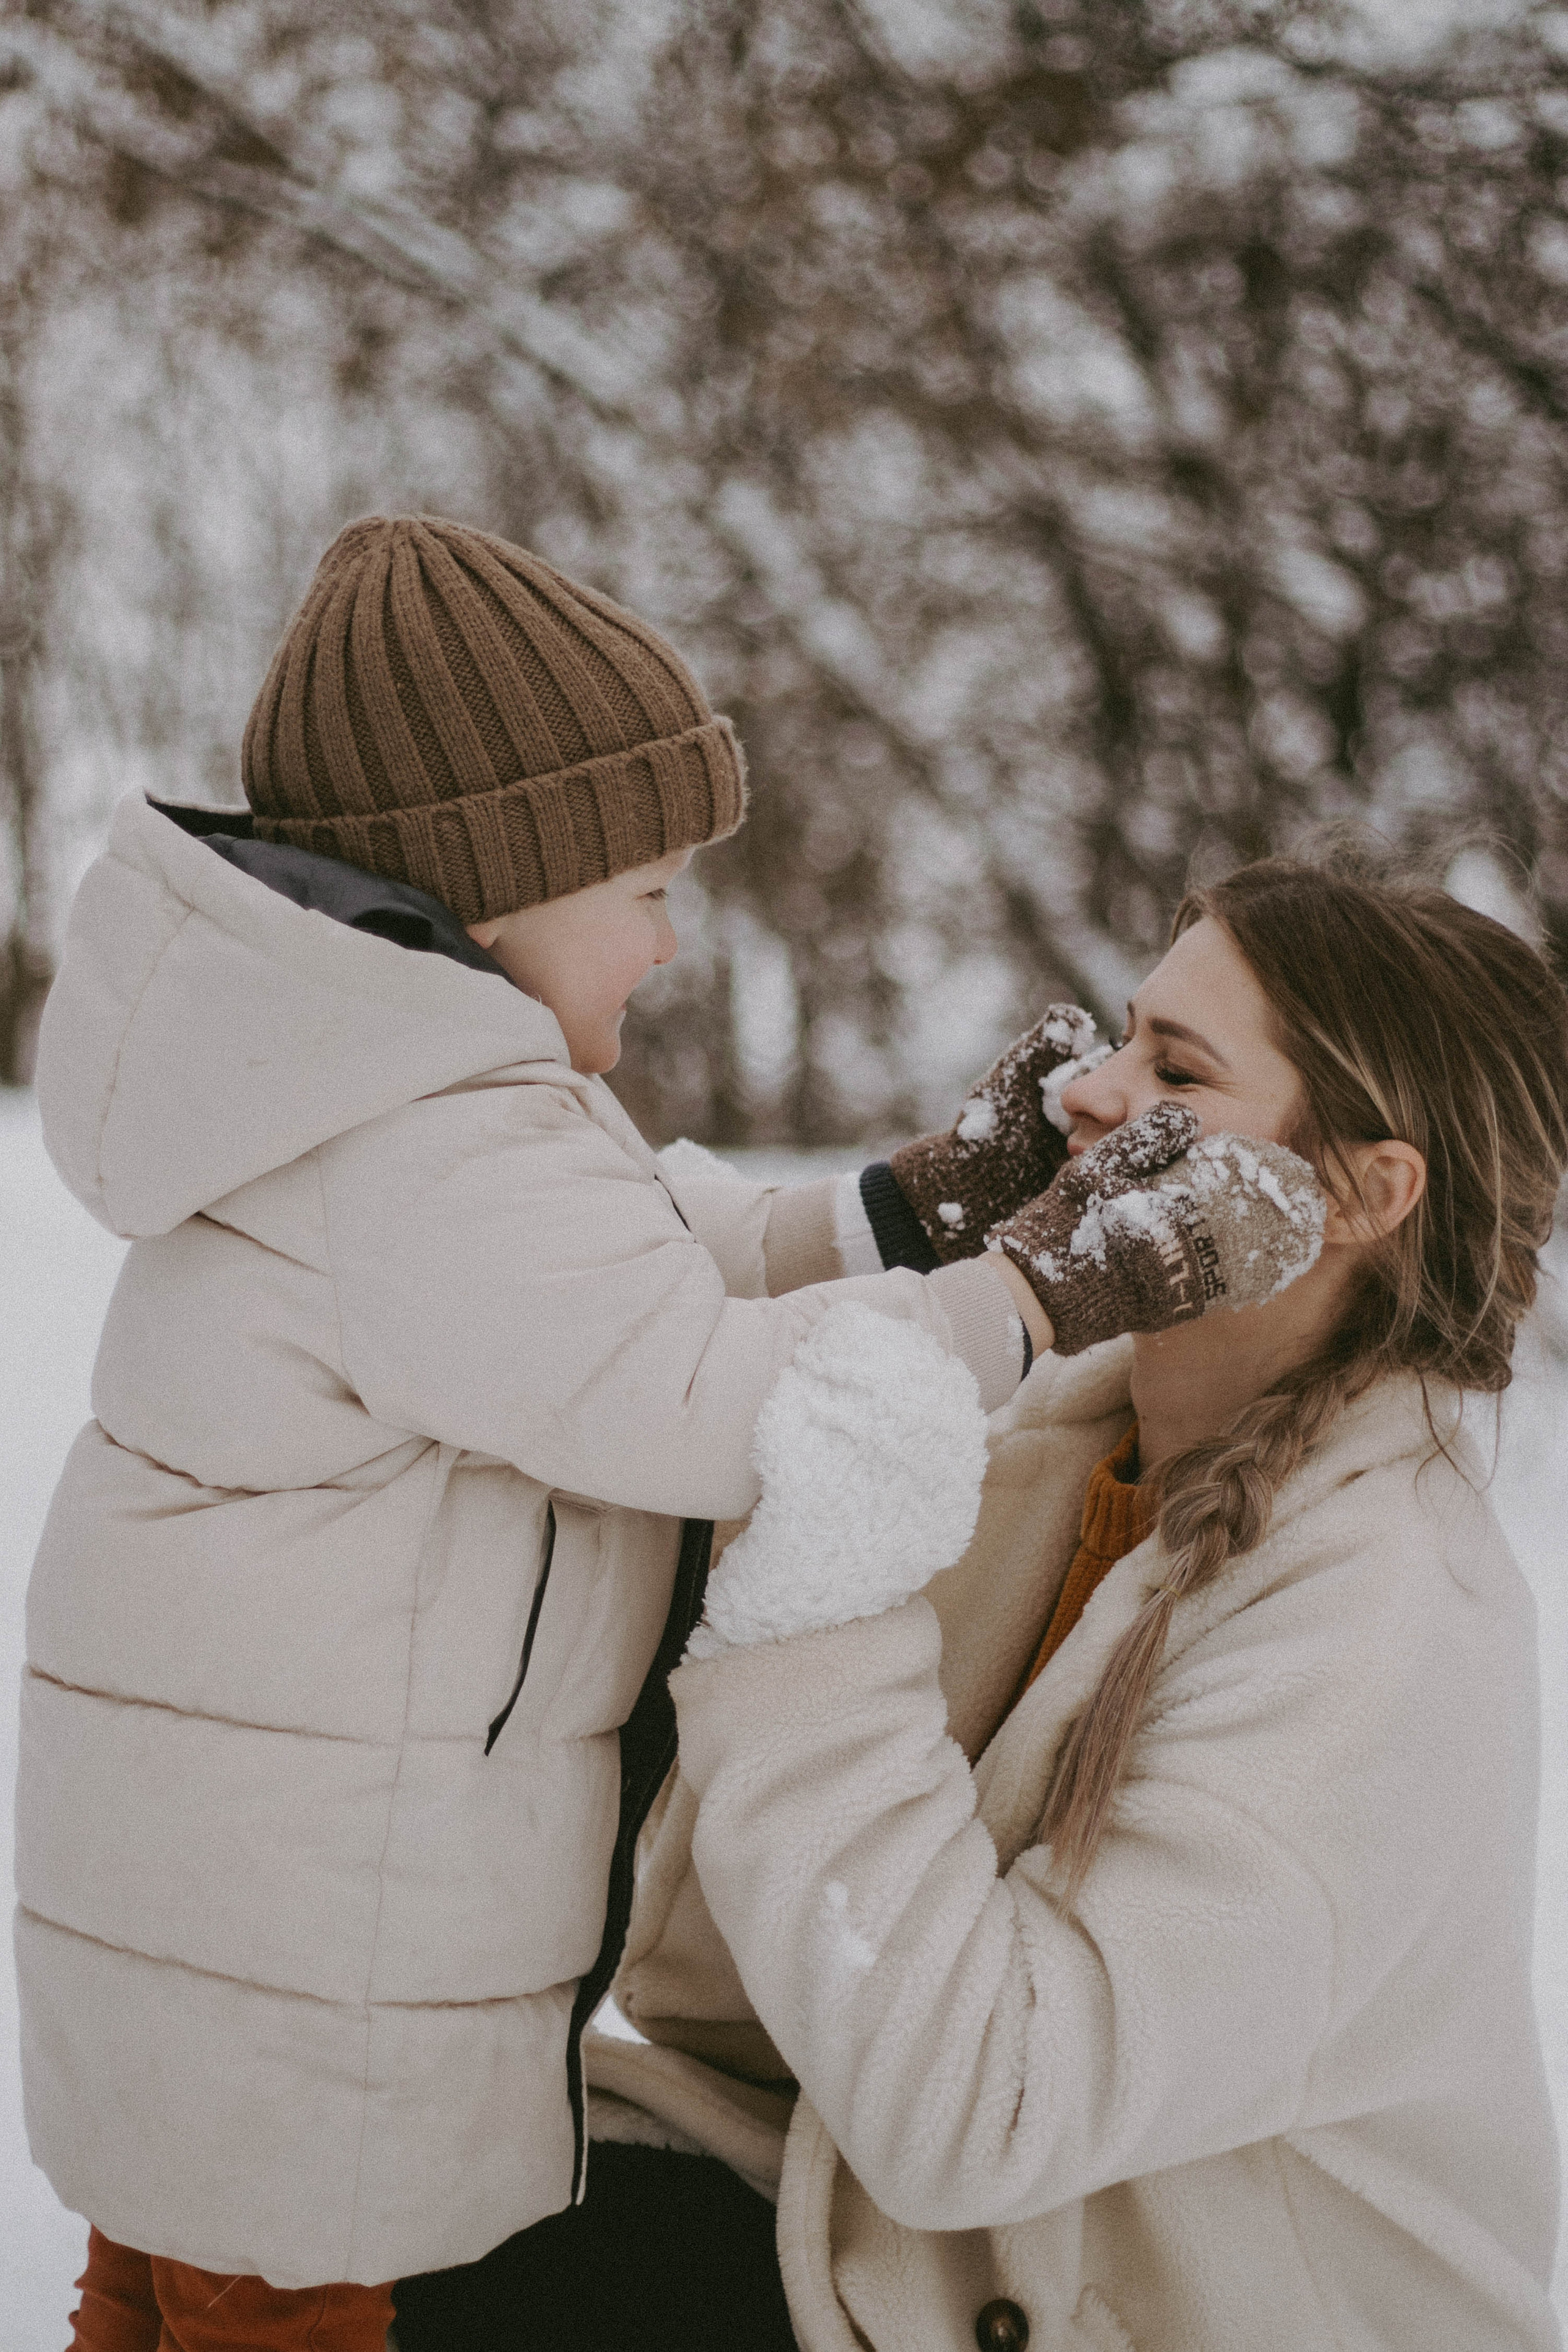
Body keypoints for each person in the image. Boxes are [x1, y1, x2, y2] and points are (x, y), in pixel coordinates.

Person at [17, 516, 1317, 2352]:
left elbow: (641, 1285)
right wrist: (1041, 1292)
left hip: (235, 1970)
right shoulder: (430, 1145)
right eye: (640, 884)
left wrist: (909, 1210)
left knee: (163, 2292)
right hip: (322, 1998)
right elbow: (717, 1403)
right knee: (276, 2315)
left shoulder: (379, 1092)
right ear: (496, 885)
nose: (670, 934)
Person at [394, 851, 1568, 2352]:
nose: (1088, 1092)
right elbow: (721, 1988)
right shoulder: (1061, 1444)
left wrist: (831, 1575)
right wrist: (906, 1234)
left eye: (1175, 1070)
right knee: (365, 2204)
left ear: (1356, 1190)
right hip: (906, 2244)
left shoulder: (1386, 1638)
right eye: (1123, 1033)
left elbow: (981, 2108)